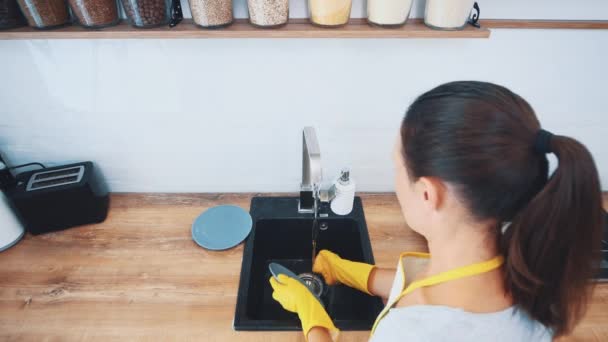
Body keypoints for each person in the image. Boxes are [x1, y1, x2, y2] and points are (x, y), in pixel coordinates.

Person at [269, 81, 604, 341]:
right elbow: (435, 284)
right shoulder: (534, 278)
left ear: (428, 193)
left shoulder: (410, 333)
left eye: (397, 168)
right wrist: (352, 273)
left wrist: (313, 320)